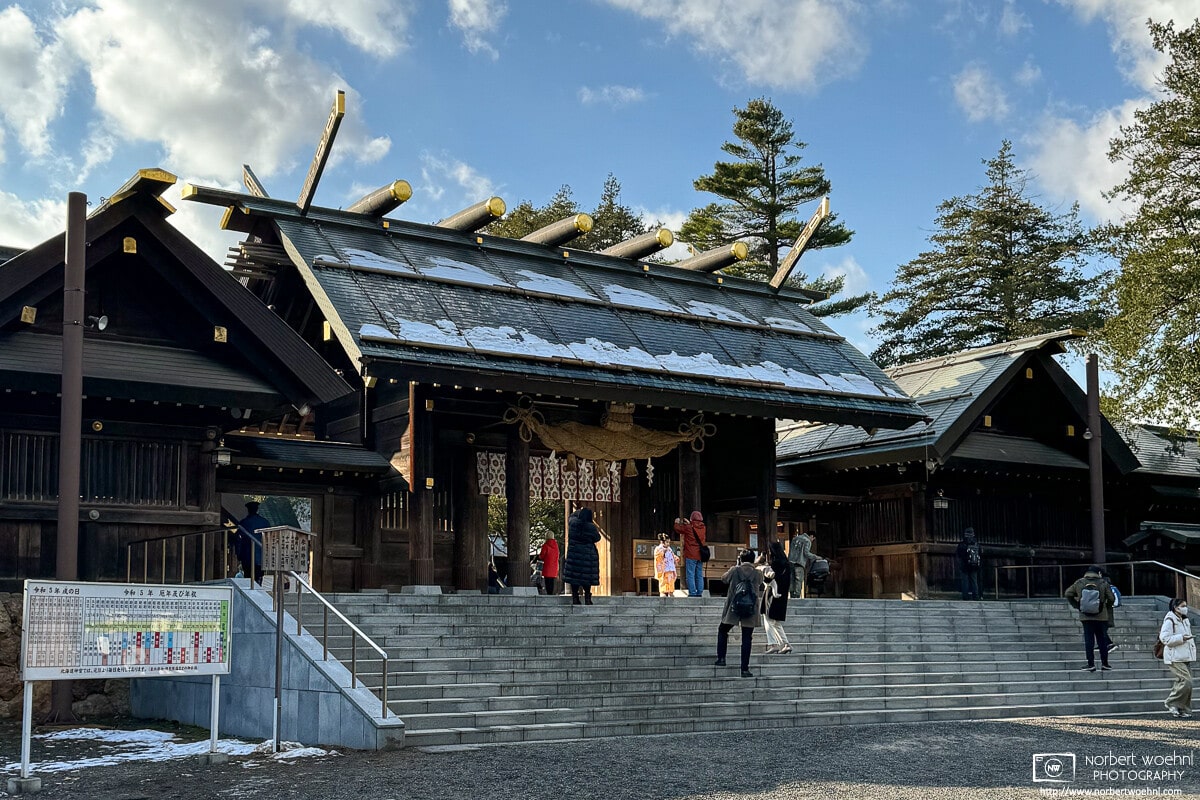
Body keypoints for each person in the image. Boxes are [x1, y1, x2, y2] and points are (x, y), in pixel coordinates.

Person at [714, 550, 765, 677]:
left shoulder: (735, 570)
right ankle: (744, 669)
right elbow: (761, 582)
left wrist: (736, 566)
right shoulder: (757, 572)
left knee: (723, 629)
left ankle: (721, 658)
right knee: (747, 638)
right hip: (751, 608)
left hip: (734, 606)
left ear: (741, 559)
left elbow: (723, 579)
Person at [1064, 565, 1116, 672]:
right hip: (1101, 617)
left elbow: (1067, 593)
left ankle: (1090, 664)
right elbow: (1111, 598)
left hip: (1086, 616)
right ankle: (1105, 664)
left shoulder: (1079, 582)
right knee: (1102, 641)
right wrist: (1105, 606)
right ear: (1098, 573)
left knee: (1089, 641)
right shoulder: (1103, 583)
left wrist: (1077, 605)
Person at [1160, 598, 1195, 718]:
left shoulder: (1184, 620)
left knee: (1183, 682)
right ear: (1176, 607)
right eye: (1183, 606)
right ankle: (1171, 702)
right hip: (1174, 656)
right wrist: (1181, 638)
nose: (1185, 608)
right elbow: (1164, 638)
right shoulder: (1170, 620)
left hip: (1184, 655)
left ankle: (1182, 708)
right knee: (1187, 681)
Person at [563, 507, 601, 605]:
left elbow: (571, 516)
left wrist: (578, 511)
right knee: (586, 577)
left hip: (574, 553)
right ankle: (587, 598)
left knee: (574, 577)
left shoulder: (573, 524)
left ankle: (575, 598)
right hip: (588, 554)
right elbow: (597, 538)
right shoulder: (591, 527)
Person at [763, 541, 793, 654]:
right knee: (775, 621)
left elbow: (768, 579)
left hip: (771, 594)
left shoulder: (775, 563)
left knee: (768, 619)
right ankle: (785, 644)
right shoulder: (787, 563)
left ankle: (773, 643)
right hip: (783, 595)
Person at [674, 511, 708, 597]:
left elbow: (678, 529)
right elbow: (695, 529)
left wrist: (676, 522)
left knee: (690, 574)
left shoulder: (688, 527)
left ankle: (692, 592)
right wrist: (689, 523)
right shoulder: (703, 527)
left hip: (691, 554)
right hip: (700, 554)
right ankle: (699, 592)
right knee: (699, 574)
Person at [236, 501, 270, 584]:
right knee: (258, 577)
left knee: (248, 577)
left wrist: (238, 554)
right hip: (261, 556)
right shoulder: (265, 522)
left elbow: (237, 538)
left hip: (247, 555)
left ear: (248, 510)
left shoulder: (243, 523)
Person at [788, 529, 817, 598]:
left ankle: (791, 595)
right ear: (811, 536)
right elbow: (806, 553)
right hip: (799, 563)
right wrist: (815, 557)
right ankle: (797, 596)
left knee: (791, 580)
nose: (812, 541)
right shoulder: (807, 541)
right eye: (813, 539)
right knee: (798, 580)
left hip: (790, 562)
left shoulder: (795, 538)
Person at [955, 527, 982, 601]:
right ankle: (976, 596)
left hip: (964, 565)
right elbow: (980, 553)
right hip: (974, 565)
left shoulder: (962, 544)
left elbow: (958, 554)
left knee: (965, 581)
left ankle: (965, 596)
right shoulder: (977, 544)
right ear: (973, 534)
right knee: (974, 580)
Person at [653, 533, 678, 597]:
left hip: (670, 567)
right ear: (662, 542)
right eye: (667, 542)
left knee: (671, 580)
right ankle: (663, 592)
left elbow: (672, 555)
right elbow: (657, 557)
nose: (668, 544)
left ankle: (671, 591)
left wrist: (675, 558)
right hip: (663, 568)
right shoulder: (658, 549)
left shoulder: (669, 549)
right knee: (663, 580)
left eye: (669, 542)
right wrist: (663, 552)